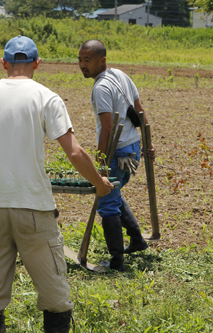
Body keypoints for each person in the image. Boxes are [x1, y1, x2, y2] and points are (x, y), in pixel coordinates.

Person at [0, 36, 113, 333]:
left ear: (4, 63)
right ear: (37, 64)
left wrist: (0, 183)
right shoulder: (46, 97)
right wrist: (99, 183)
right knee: (54, 291)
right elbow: (75, 152)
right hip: (34, 209)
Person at [78, 39, 156, 272]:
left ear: (102, 61)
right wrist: (147, 144)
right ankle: (138, 240)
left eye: (87, 60)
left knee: (108, 203)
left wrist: (100, 164)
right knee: (113, 192)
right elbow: (140, 112)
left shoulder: (101, 87)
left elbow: (108, 127)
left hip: (117, 152)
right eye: (80, 60)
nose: (82, 65)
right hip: (132, 149)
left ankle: (116, 262)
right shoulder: (121, 75)